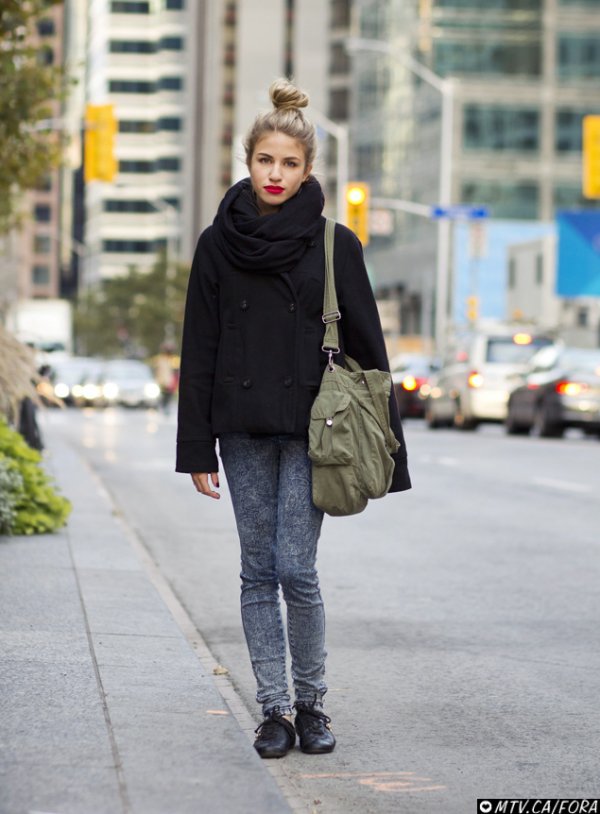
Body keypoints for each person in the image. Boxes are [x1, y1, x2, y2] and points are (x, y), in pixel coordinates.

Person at [176, 78, 411, 759]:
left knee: (294, 568)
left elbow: (371, 354)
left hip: (318, 433)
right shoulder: (218, 244)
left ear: (308, 171)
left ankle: (312, 702)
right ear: (247, 163)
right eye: (264, 161)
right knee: (256, 569)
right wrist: (196, 447)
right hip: (241, 428)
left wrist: (390, 454)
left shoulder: (337, 245)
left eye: (289, 164)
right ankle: (273, 710)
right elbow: (200, 347)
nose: (275, 174)